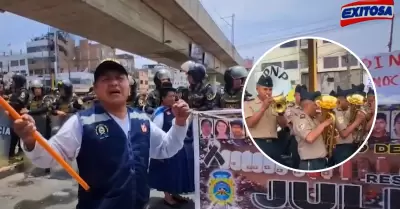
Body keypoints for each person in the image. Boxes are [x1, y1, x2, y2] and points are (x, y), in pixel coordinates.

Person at [12, 59, 190, 209]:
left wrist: (180, 123)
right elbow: (49, 158)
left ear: (128, 86)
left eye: (120, 78)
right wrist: (30, 139)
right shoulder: (82, 121)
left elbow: (166, 148)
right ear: (95, 89)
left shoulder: (142, 120)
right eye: (106, 79)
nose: (114, 83)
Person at [148, 82, 194, 207]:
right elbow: (157, 133)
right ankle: (167, 197)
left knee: (177, 174)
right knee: (167, 174)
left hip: (177, 149)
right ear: (163, 98)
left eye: (174, 96)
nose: (173, 98)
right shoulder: (160, 113)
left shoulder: (176, 110)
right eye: (170, 96)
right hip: (165, 150)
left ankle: (175, 193)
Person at [243, 74, 287, 164]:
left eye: (270, 89)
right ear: (257, 89)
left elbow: (283, 125)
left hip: (273, 144)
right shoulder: (248, 104)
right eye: (265, 89)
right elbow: (250, 124)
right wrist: (263, 108)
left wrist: (281, 114)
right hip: (257, 143)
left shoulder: (274, 103)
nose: (268, 92)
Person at [291, 89, 330, 170]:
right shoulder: (300, 119)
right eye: (316, 105)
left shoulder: (314, 119)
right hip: (311, 163)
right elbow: (309, 138)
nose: (318, 107)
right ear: (308, 105)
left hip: (320, 161)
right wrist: (324, 124)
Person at [332, 86, 366, 165]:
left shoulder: (342, 111)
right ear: (342, 100)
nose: (349, 104)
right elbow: (344, 134)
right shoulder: (336, 112)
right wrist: (357, 121)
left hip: (348, 146)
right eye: (348, 101)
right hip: (342, 148)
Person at [284, 84, 306, 169]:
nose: (301, 97)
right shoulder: (290, 108)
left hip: (311, 139)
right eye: (299, 95)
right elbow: (292, 123)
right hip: (296, 139)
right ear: (295, 95)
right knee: (296, 162)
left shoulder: (312, 106)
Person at [8, 73, 29, 161]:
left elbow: (20, 102)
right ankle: (12, 156)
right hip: (13, 119)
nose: (12, 83)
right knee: (13, 139)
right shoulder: (15, 92)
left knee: (19, 140)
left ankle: (21, 157)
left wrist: (8, 104)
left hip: (20, 118)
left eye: (14, 81)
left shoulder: (23, 91)